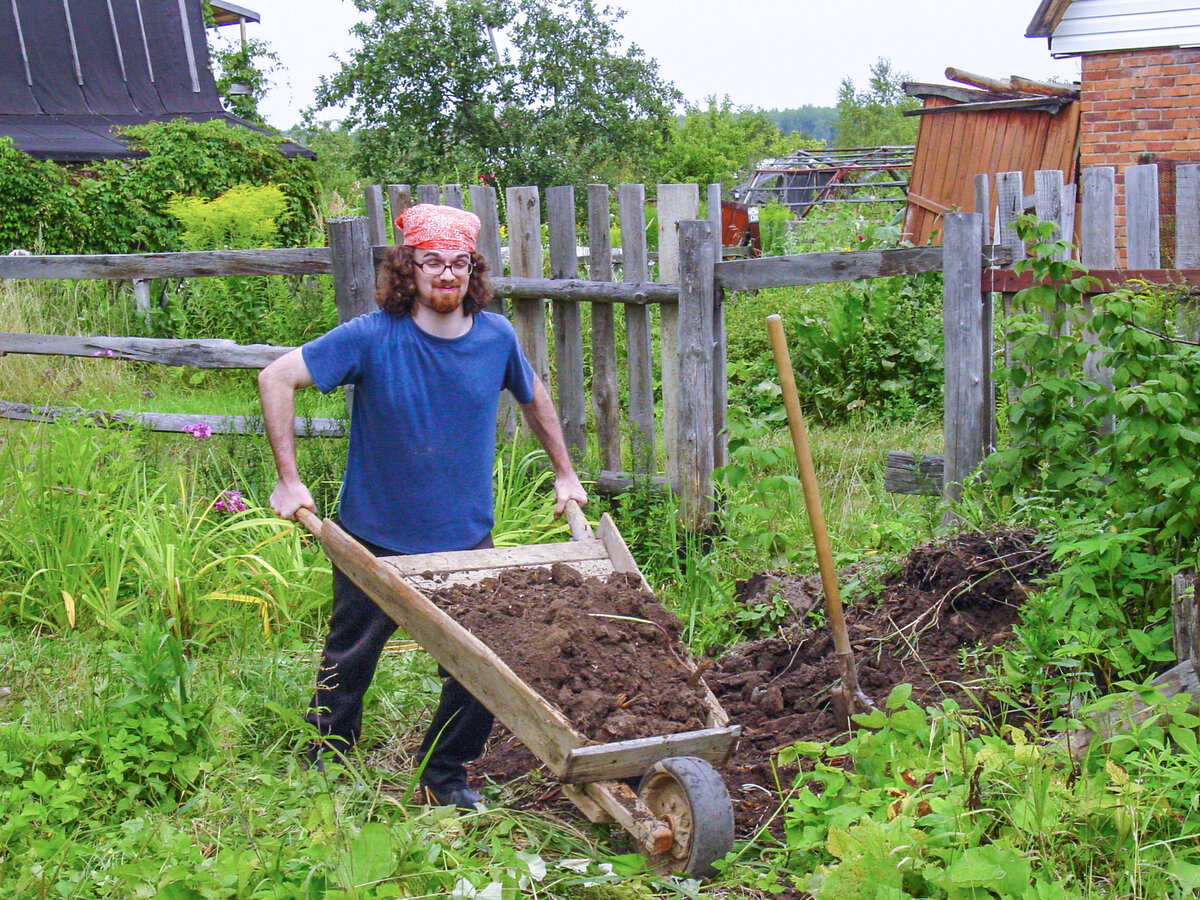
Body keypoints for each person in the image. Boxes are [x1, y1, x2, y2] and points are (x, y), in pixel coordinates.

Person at [258, 203, 587, 809]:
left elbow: (532, 391)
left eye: (459, 262)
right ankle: (328, 757)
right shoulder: (371, 336)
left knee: (479, 673)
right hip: (372, 537)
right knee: (350, 657)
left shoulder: (495, 337)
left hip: (464, 541)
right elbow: (276, 377)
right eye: (432, 261)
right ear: (408, 267)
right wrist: (288, 479)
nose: (447, 274)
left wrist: (565, 472)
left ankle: (444, 777)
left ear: (473, 270)